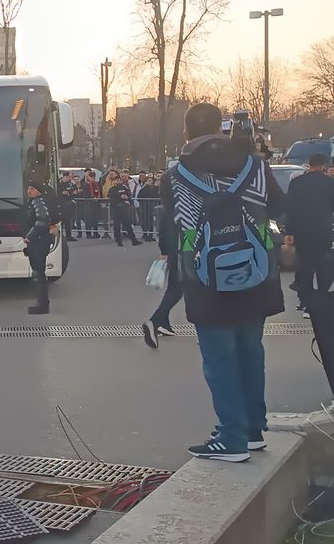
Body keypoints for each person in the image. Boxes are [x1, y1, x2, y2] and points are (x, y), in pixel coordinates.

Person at [160, 102, 285, 462]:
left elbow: (172, 226)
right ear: (222, 129)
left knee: (219, 358)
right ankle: (252, 429)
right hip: (256, 273)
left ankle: (231, 437)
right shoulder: (256, 166)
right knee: (251, 351)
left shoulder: (174, 176)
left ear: (186, 134)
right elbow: (280, 208)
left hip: (204, 278)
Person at [285, 153, 334, 317]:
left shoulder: (296, 183)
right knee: (323, 267)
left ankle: (306, 302)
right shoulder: (329, 183)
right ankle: (320, 299)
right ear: (323, 166)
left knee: (305, 267)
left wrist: (289, 232)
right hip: (323, 231)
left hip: (302, 232)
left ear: (308, 164)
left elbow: (290, 209)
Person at [142, 197, 183, 348]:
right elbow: (189, 232)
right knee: (179, 290)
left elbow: (163, 232)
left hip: (173, 253)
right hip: (183, 253)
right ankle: (155, 320)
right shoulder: (185, 207)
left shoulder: (166, 209)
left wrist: (164, 251)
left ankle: (163, 323)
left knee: (174, 288)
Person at [24, 181, 52, 315]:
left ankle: (42, 304)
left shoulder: (38, 202)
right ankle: (42, 302)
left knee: (38, 273)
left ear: (39, 190)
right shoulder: (34, 202)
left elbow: (42, 221)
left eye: (32, 188)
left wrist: (29, 236)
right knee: (38, 272)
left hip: (38, 242)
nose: (29, 191)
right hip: (39, 241)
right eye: (28, 188)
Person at [109, 172, 142, 246]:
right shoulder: (112, 189)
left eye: (120, 180)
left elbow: (130, 197)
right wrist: (119, 197)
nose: (119, 181)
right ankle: (118, 241)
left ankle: (134, 240)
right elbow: (111, 199)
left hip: (124, 210)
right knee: (117, 225)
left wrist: (127, 199)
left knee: (128, 225)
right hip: (116, 209)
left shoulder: (125, 188)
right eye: (117, 180)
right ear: (114, 181)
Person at [80, 169, 102, 239]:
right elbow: (85, 195)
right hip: (88, 204)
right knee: (88, 219)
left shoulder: (96, 185)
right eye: (91, 177)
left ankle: (96, 232)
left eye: (93, 177)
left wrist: (97, 198)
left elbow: (98, 193)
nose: (92, 178)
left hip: (95, 204)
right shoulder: (85, 185)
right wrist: (92, 198)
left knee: (95, 219)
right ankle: (88, 233)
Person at [58, 172, 78, 242]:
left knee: (68, 222)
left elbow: (74, 191)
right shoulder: (59, 184)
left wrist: (72, 191)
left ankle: (69, 236)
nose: (67, 178)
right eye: (66, 177)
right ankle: (60, 237)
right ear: (63, 177)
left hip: (69, 204)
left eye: (68, 177)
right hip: (62, 205)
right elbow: (60, 193)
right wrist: (64, 193)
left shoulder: (69, 184)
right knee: (61, 222)